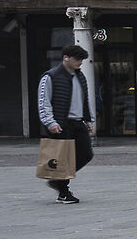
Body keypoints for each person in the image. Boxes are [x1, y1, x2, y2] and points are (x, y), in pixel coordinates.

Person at [39, 44, 95, 204]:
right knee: (62, 158)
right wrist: (50, 122)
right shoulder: (51, 76)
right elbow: (44, 102)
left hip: (78, 122)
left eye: (82, 60)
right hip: (61, 124)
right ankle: (63, 192)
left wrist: (88, 119)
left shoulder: (80, 76)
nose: (80, 62)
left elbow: (84, 99)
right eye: (77, 59)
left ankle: (57, 180)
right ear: (66, 58)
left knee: (86, 154)